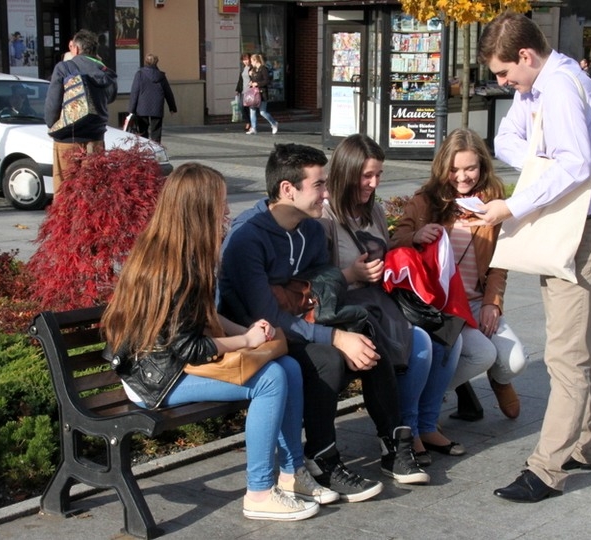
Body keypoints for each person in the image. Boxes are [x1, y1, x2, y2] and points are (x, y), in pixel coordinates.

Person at [101, 162, 336, 522]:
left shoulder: (185, 251)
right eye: (220, 204)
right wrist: (244, 339)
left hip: (172, 363)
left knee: (287, 366)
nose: (226, 212)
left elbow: (203, 316)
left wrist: (246, 330)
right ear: (199, 209)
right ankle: (259, 492)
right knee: (271, 380)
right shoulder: (172, 268)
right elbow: (189, 347)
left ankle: (292, 475)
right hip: (154, 380)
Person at [219, 143, 429, 501]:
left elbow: (323, 288)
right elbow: (267, 317)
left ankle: (393, 444)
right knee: (328, 358)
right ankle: (322, 460)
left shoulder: (312, 230)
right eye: (319, 185)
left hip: (299, 322)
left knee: (365, 329)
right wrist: (333, 337)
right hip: (255, 337)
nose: (327, 193)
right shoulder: (247, 238)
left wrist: (339, 327)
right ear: (288, 189)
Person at [474, 12, 591, 503]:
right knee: (575, 352)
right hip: (570, 228)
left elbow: (575, 163)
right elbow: (507, 140)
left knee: (567, 356)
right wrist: (543, 159)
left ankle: (547, 469)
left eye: (503, 72)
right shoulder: (536, 86)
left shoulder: (557, 86)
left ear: (526, 56)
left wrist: (514, 203)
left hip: (581, 230)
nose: (502, 83)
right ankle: (588, 445)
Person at [321, 133, 463, 467]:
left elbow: (389, 251)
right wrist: (352, 273)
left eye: (379, 175)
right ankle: (405, 431)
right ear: (346, 172)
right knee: (422, 345)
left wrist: (408, 250)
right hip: (350, 311)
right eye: (366, 175)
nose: (373, 183)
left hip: (381, 302)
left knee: (449, 337)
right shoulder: (325, 217)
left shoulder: (374, 212)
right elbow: (319, 281)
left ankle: (425, 425)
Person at [390, 128, 527, 424]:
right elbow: (396, 240)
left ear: (483, 166)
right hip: (444, 306)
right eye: (454, 169)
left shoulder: (493, 203)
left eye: (470, 168)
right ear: (442, 167)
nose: (462, 177)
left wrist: (493, 302)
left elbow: (499, 263)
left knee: (515, 361)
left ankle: (499, 379)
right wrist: (416, 236)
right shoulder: (426, 200)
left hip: (477, 301)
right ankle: (418, 403)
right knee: (482, 354)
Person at [44, 29, 117, 194]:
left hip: (67, 138)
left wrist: (52, 124)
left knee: (65, 193)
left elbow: (52, 103)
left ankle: (67, 221)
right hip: (96, 138)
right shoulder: (105, 71)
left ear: (75, 49)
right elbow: (111, 97)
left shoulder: (65, 68)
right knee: (92, 192)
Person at [128, 53, 178, 143]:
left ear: (145, 62)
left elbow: (135, 92)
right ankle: (156, 149)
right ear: (156, 62)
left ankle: (145, 150)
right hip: (157, 106)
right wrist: (172, 107)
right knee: (156, 131)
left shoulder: (140, 74)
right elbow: (168, 92)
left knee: (142, 130)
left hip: (142, 107)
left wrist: (131, 109)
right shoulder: (161, 76)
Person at [246, 53, 279, 135]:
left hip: (262, 93)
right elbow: (253, 79)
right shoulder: (254, 70)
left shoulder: (263, 69)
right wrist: (251, 81)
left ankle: (274, 123)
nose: (251, 63)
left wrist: (257, 83)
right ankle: (254, 128)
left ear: (256, 60)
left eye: (252, 61)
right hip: (254, 93)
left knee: (262, 112)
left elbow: (267, 81)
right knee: (252, 110)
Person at [235, 53, 252, 132]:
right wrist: (237, 90)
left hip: (250, 91)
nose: (245, 61)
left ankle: (250, 124)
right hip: (243, 91)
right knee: (241, 107)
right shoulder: (243, 68)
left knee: (249, 108)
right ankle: (248, 121)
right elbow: (240, 80)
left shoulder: (252, 68)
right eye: (244, 60)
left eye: (247, 59)